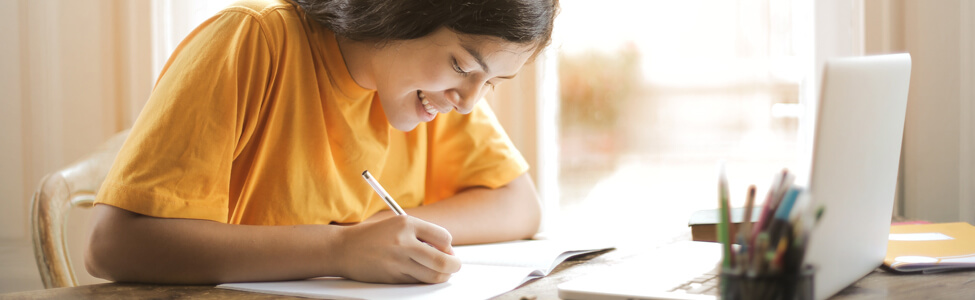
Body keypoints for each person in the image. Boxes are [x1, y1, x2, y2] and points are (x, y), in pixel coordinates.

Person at [85, 0, 558, 285]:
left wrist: (381, 237)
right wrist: (339, 248)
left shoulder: (431, 94)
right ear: (400, 11)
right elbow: (113, 245)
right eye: (461, 66)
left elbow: (519, 204)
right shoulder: (253, 40)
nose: (469, 102)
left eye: (492, 82)